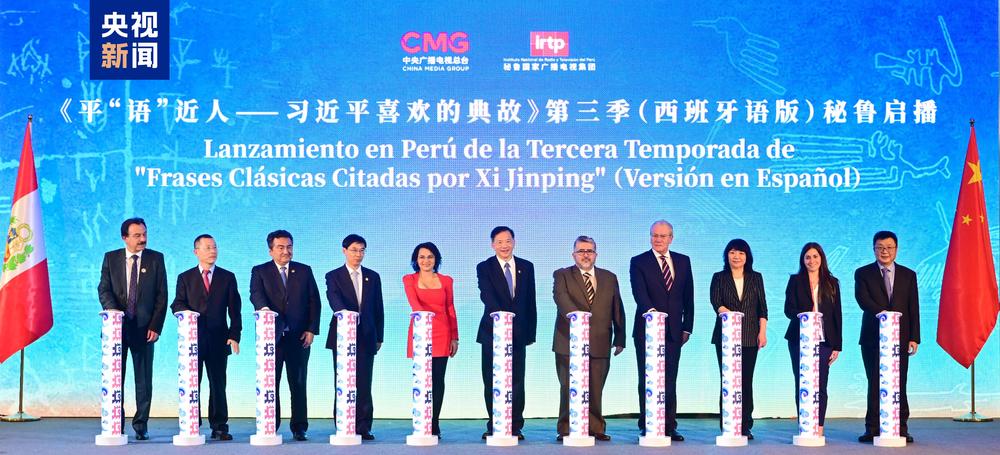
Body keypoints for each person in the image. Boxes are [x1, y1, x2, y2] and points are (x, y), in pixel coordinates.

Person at [97, 217, 168, 441]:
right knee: (115, 379)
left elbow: (162, 296)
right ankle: (115, 423)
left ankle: (141, 425)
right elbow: (104, 289)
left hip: (145, 329)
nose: (143, 239)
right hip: (116, 330)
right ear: (124, 238)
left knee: (144, 381)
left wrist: (156, 326)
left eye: (144, 234)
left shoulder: (156, 259)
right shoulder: (111, 258)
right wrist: (114, 314)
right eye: (137, 235)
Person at [249, 230, 321, 441]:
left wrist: (311, 329)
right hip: (271, 337)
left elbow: (314, 301)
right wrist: (265, 312)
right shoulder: (260, 271)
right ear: (270, 250)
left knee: (298, 382)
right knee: (271, 383)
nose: (286, 251)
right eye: (280, 247)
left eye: (289, 247)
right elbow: (255, 294)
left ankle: (299, 427)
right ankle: (271, 424)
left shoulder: (304, 270)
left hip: (299, 337)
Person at [169, 234, 242, 441]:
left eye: (215, 247)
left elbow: (235, 310)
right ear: (196, 252)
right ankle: (192, 423)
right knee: (193, 383)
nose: (213, 251)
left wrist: (234, 335)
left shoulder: (227, 277)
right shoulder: (186, 277)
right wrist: (187, 314)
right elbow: (177, 303)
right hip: (193, 340)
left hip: (219, 339)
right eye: (208, 247)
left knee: (218, 384)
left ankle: (219, 426)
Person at [553, 235, 626, 442]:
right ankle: (566, 428)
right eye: (581, 251)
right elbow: (560, 297)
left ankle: (595, 427)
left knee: (596, 387)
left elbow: (617, 307)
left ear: (596, 254)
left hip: (600, 339)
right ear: (573, 254)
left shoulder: (609, 277)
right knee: (569, 387)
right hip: (569, 341)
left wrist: (620, 337)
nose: (585, 255)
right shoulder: (562, 274)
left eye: (589, 251)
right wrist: (577, 318)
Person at [630, 220, 693, 441]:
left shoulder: (683, 261)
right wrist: (653, 315)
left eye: (662, 236)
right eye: (654, 235)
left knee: (670, 379)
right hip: (647, 330)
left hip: (674, 331)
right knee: (647, 378)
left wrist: (687, 327)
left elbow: (688, 296)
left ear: (671, 238)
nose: (658, 239)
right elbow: (639, 293)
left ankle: (669, 425)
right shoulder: (638, 261)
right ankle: (647, 423)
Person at [855, 231, 919, 443]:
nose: (885, 251)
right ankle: (873, 428)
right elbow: (862, 299)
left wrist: (914, 337)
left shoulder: (909, 275)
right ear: (874, 249)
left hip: (901, 338)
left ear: (896, 249)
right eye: (880, 247)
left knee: (900, 382)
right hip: (873, 338)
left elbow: (913, 307)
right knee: (875, 382)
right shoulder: (863, 273)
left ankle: (901, 427)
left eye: (889, 247)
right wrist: (884, 315)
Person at [476, 226, 536, 441]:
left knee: (517, 380)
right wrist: (503, 319)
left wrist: (530, 333)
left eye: (508, 241)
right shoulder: (484, 267)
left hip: (519, 333)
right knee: (491, 380)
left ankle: (515, 426)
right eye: (500, 242)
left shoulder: (527, 267)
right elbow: (487, 295)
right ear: (493, 245)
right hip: (492, 332)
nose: (504, 245)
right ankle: (495, 424)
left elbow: (530, 301)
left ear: (514, 242)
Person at [324, 234, 384, 440]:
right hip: (342, 337)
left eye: (362, 250)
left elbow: (378, 307)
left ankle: (364, 426)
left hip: (367, 336)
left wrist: (379, 336)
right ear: (344, 251)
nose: (358, 254)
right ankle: (343, 423)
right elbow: (333, 299)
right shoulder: (333, 276)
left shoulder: (373, 276)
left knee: (364, 383)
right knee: (342, 382)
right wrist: (345, 315)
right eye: (354, 250)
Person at [709, 239, 767, 439]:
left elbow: (762, 307)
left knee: (746, 381)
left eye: (741, 253)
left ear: (747, 257)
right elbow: (715, 301)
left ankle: (745, 424)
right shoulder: (719, 277)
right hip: (725, 336)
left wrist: (762, 332)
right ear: (727, 255)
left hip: (750, 336)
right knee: (728, 380)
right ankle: (728, 423)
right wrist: (730, 315)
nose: (736, 256)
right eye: (733, 252)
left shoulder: (756, 278)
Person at [783, 242, 842, 437]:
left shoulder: (832, 283)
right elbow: (788, 310)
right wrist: (806, 316)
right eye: (807, 257)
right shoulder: (795, 281)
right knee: (802, 382)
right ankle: (805, 424)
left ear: (821, 258)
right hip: (799, 338)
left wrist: (837, 345)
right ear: (803, 260)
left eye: (815, 256)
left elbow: (837, 314)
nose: (811, 260)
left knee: (820, 384)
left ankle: (819, 427)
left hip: (825, 340)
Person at [403, 242, 458, 438]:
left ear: (436, 259)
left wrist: (455, 337)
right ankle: (421, 421)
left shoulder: (446, 280)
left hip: (443, 333)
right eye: (422, 257)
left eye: (430, 257)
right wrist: (425, 323)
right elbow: (415, 304)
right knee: (422, 380)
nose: (426, 261)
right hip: (420, 333)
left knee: (438, 380)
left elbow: (450, 308)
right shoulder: (409, 279)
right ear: (416, 260)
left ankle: (434, 423)